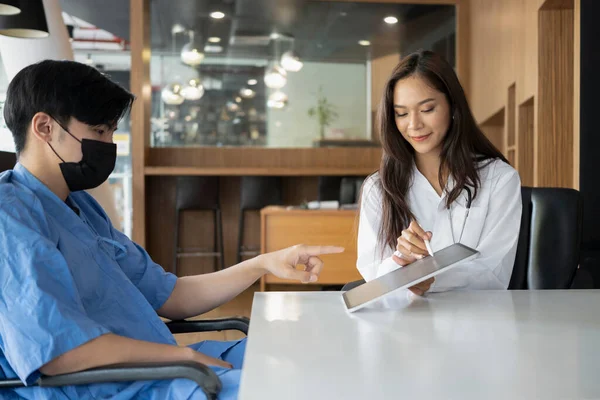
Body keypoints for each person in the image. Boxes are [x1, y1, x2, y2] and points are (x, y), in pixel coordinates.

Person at [0, 60, 343, 399]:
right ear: (44, 127)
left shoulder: (81, 207)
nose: (108, 144)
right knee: (299, 387)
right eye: (99, 132)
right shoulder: (9, 216)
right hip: (115, 388)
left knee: (306, 351)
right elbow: (59, 353)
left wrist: (262, 263)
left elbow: (172, 296)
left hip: (160, 369)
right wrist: (185, 356)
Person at [357, 50, 522, 296]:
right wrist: (401, 262)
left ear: (453, 106)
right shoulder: (378, 187)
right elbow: (373, 275)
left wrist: (428, 278)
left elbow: (494, 271)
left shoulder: (499, 179)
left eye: (427, 109)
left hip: (477, 324)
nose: (413, 125)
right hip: (404, 326)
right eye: (401, 113)